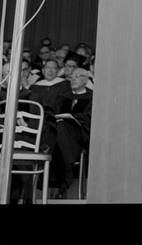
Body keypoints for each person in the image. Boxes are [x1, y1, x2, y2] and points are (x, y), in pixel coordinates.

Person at [51, 67, 94, 199]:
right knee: (59, 127)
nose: (73, 79)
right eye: (72, 76)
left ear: (86, 80)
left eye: (77, 76)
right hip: (63, 136)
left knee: (61, 127)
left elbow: (89, 120)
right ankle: (69, 166)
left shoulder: (92, 98)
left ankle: (63, 179)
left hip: (79, 135)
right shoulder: (63, 97)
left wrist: (74, 118)